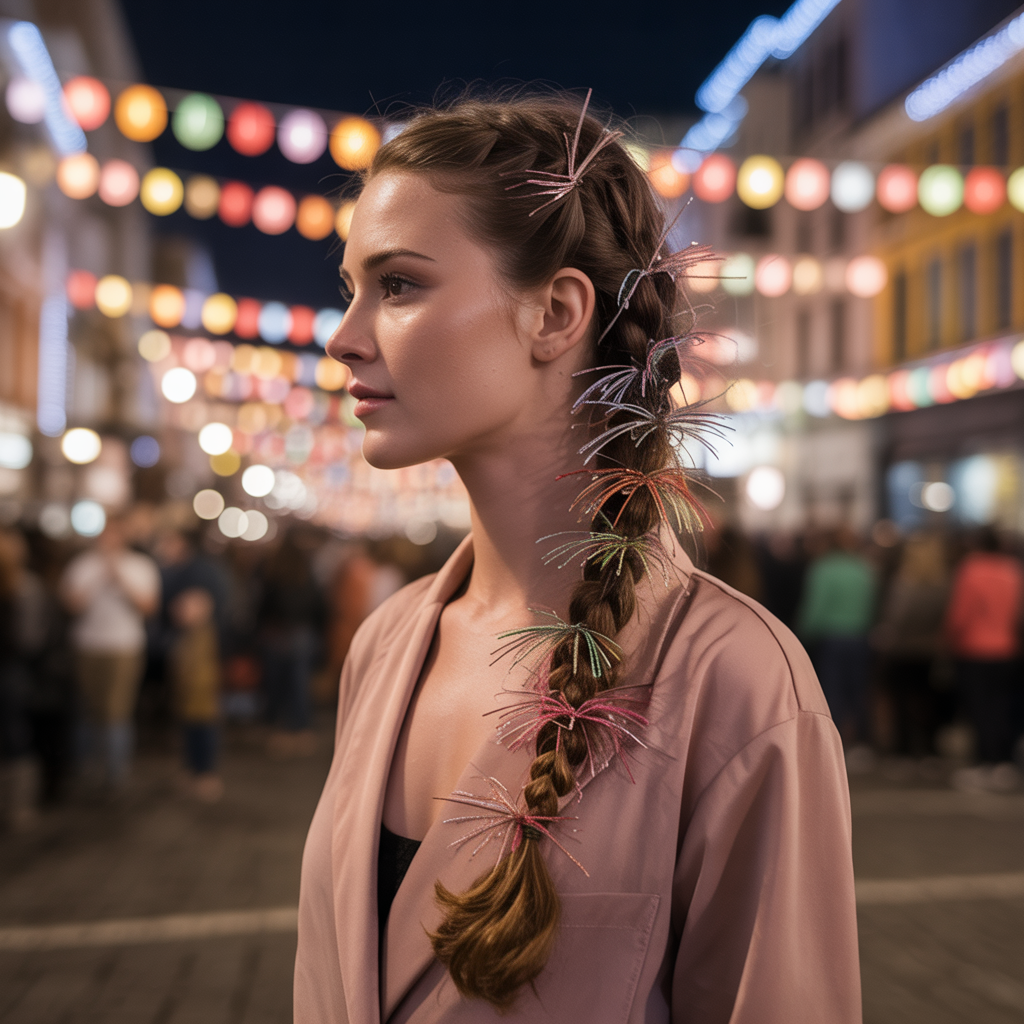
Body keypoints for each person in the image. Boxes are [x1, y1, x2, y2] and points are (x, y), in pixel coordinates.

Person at [295, 92, 860, 1023]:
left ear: (556, 312)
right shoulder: (387, 641)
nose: (342, 335)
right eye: (349, 288)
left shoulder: (734, 679)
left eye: (396, 285)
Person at [60, 513, 160, 794]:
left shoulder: (140, 566)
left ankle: (115, 774)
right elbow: (70, 605)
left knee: (117, 712)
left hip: (123, 647)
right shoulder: (82, 565)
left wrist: (119, 578)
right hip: (87, 645)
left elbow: (149, 607)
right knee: (86, 709)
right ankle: (85, 770)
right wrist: (97, 578)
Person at [945, 527, 1024, 784]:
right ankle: (1004, 760)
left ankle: (985, 761)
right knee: (1002, 707)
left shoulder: (971, 569)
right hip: (1007, 648)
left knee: (980, 708)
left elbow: (961, 613)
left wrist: (948, 638)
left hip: (974, 648)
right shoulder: (1012, 570)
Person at [796, 526, 876, 749]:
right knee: (859, 690)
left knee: (832, 690)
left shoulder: (823, 568)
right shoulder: (863, 568)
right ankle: (863, 741)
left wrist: (803, 633)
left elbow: (815, 606)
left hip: (831, 637)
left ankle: (834, 742)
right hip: (859, 635)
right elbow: (871, 603)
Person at [872, 533, 949, 757]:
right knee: (928, 700)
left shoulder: (905, 583)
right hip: (930, 649)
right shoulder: (943, 583)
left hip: (903, 649)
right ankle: (929, 748)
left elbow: (897, 617)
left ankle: (903, 750)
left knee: (902, 701)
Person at [168, 586, 223, 801]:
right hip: (188, 699)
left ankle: (206, 773)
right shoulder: (184, 635)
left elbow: (206, 669)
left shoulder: (206, 635)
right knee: (189, 736)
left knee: (205, 737)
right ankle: (193, 771)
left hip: (203, 699)